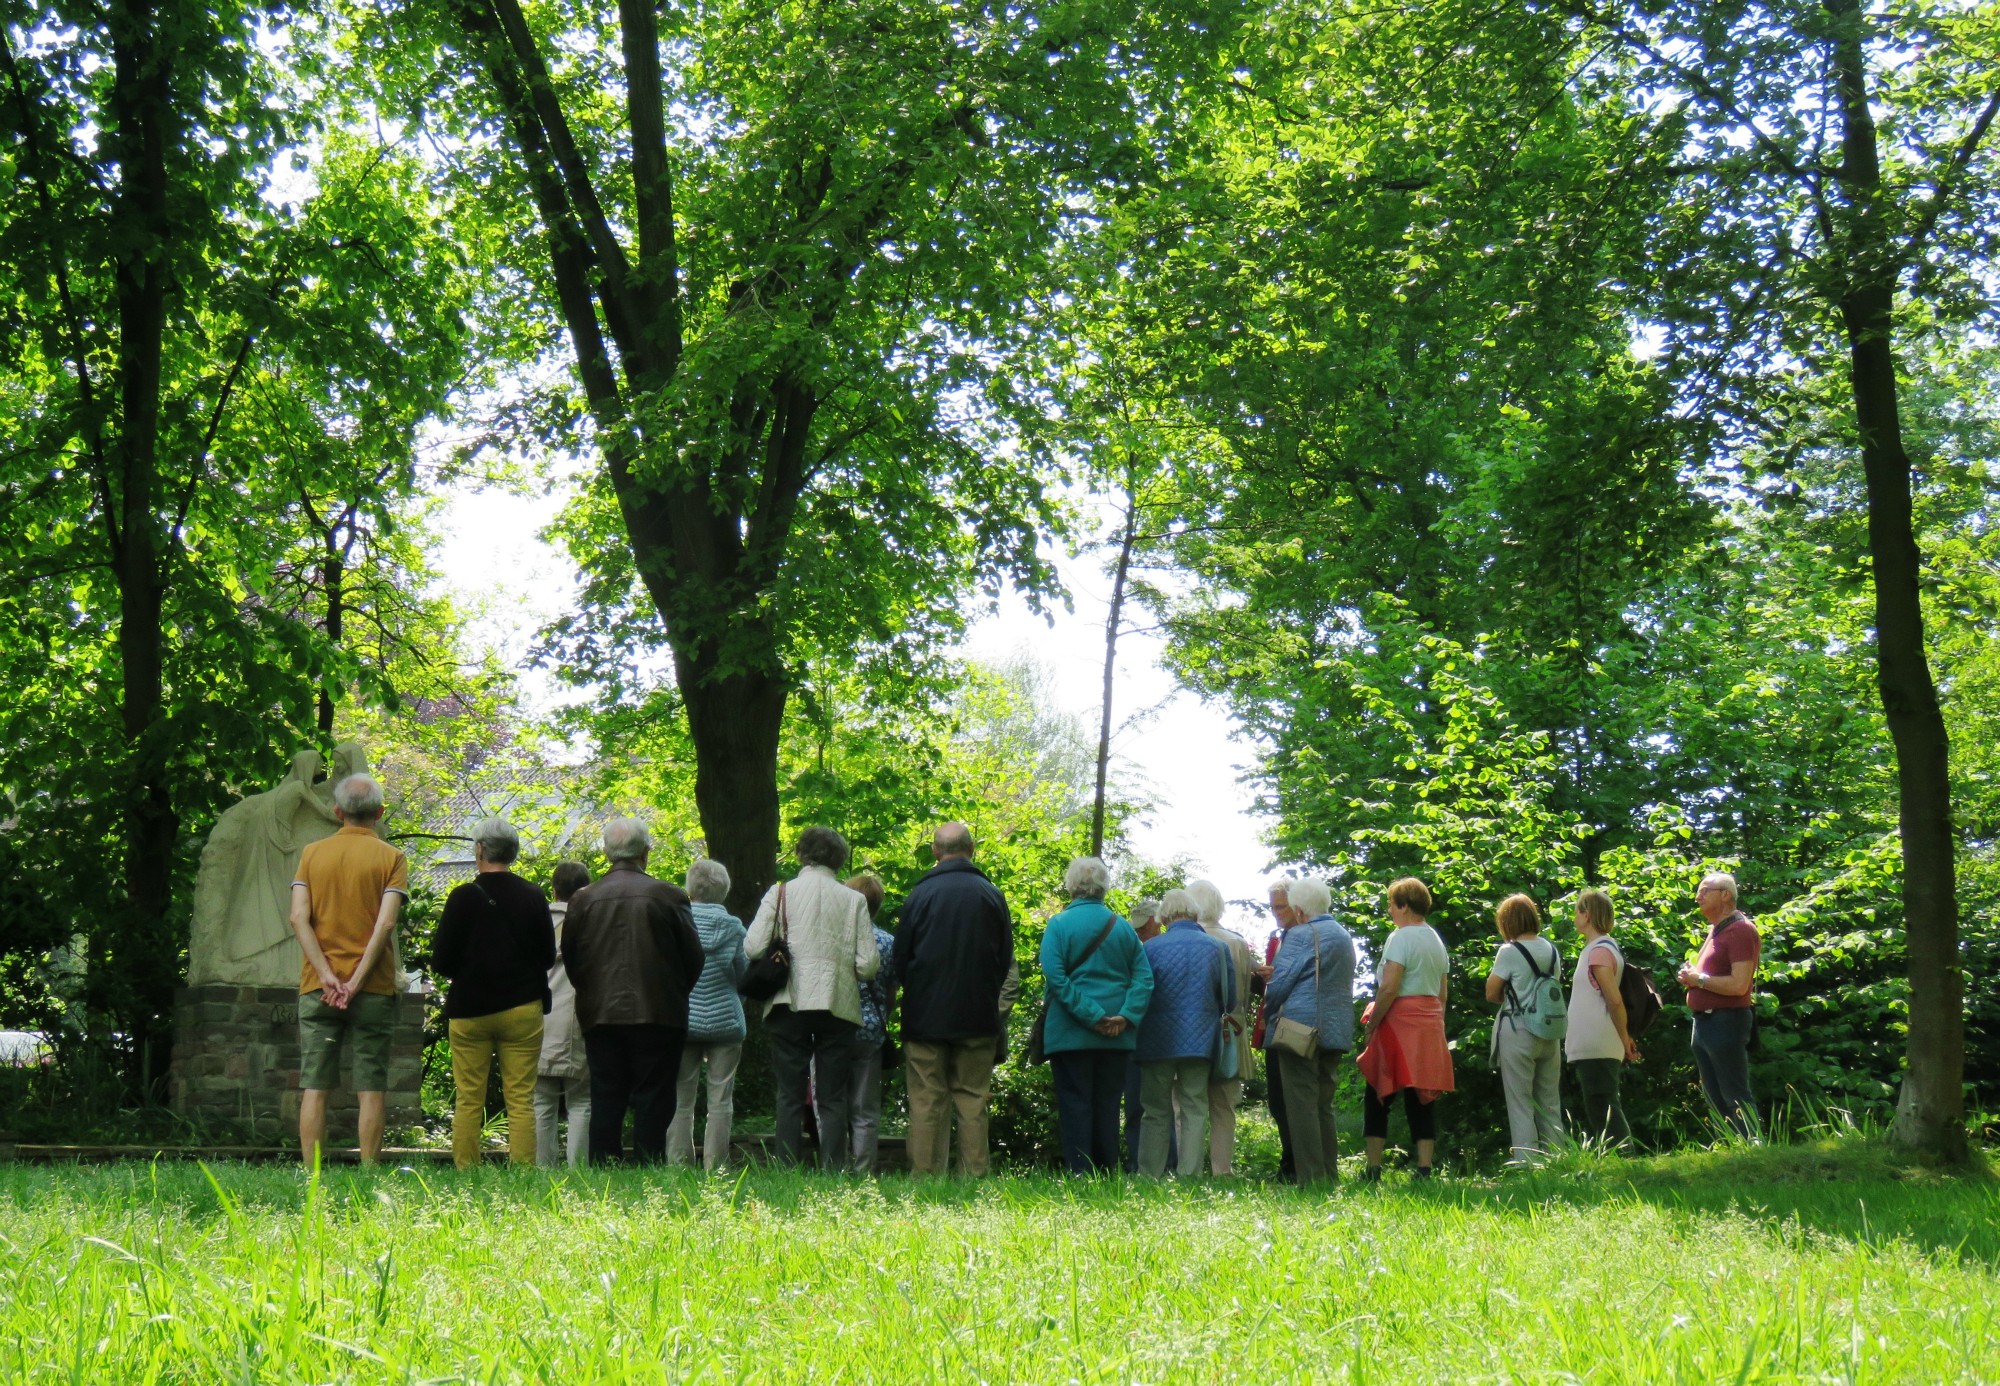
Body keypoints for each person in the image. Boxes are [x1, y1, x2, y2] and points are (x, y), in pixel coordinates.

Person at [562, 818, 705, 1165]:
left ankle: (603, 1168)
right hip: (659, 1012)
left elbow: (572, 958)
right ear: (645, 853)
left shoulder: (583, 899)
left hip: (600, 1013)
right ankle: (649, 1166)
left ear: (607, 853)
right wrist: (672, 991)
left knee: (606, 1094)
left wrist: (592, 992)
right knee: (654, 1096)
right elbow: (693, 957)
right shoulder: (669, 895)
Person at [289, 772, 409, 1165]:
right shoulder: (392, 858)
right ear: (379, 812)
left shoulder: (311, 854)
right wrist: (356, 980)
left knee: (315, 1086)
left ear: (337, 812)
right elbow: (386, 924)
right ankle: (370, 1171)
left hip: (318, 988)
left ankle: (311, 1173)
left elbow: (298, 919)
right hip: (372, 989)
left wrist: (326, 974)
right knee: (371, 1085)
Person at [746, 826, 880, 1170]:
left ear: (800, 854)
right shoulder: (854, 901)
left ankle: (786, 1168)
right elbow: (867, 966)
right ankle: (833, 1170)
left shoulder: (780, 894)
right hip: (838, 1005)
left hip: (789, 1003)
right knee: (833, 1097)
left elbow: (753, 946)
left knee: (789, 1094)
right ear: (839, 859)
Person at [891, 823, 1017, 1177]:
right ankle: (974, 1177)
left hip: (925, 1016)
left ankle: (925, 1178)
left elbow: (900, 959)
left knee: (927, 1099)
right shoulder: (991, 895)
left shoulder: (919, 896)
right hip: (978, 1016)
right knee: (973, 1098)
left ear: (935, 851)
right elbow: (1004, 957)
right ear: (972, 849)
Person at [431, 817, 555, 1169]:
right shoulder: (533, 895)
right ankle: (523, 1171)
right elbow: (547, 957)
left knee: (469, 1098)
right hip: (522, 1009)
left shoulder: (462, 897)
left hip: (470, 1009)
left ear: (480, 849)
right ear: (513, 853)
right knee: (520, 1098)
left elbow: (441, 961)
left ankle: (466, 1170)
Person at [1040, 857, 1154, 1174]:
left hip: (1070, 1034)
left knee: (1075, 1104)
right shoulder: (1121, 927)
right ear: (1104, 886)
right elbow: (1144, 977)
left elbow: (1056, 978)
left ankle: (1081, 1173)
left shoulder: (1058, 925)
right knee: (1107, 1105)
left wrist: (1092, 1016)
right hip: (1117, 1035)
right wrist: (1124, 1016)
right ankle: (1107, 1172)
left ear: (1072, 885)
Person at [1357, 876, 1454, 1180]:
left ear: (1404, 905)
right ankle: (1424, 1168)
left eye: (1391, 904)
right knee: (1422, 1094)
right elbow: (1442, 990)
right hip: (1429, 1023)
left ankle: (1373, 1168)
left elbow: (1389, 987)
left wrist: (1373, 1024)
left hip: (1398, 1022)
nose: (1389, 910)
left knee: (1378, 1091)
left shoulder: (1400, 937)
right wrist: (1437, 1023)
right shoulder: (1435, 939)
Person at [1260, 877, 1357, 1184]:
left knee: (1300, 1105)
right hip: (1336, 1028)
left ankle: (1310, 1180)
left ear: (1299, 909)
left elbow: (1279, 985)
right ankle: (1329, 1175)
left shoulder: (1301, 934)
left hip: (1300, 1029)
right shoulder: (1342, 935)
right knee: (1323, 1106)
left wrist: (1270, 1009)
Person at [1134, 889, 1229, 1178]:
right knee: (1194, 1106)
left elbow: (1139, 994)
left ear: (1164, 917)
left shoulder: (1149, 948)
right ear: (1194, 913)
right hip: (1200, 1039)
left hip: (1156, 1039)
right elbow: (1229, 998)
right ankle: (1191, 1175)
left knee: (1154, 1108)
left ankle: (1149, 1174)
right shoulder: (1217, 948)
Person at [666, 858, 749, 1170]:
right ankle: (717, 1165)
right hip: (726, 1021)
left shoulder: (677, 923)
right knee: (721, 1100)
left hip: (684, 1020)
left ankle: (678, 1163)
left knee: (681, 1098)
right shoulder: (734, 928)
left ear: (690, 887)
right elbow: (744, 975)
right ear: (724, 891)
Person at [819, 872, 897, 1174]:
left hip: (832, 1026)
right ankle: (864, 1170)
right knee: (865, 1108)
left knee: (830, 1103)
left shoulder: (831, 937)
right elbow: (891, 993)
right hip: (871, 1031)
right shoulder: (888, 942)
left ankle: (832, 1167)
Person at [1483, 893, 1565, 1167]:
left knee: (1520, 1100)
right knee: (1550, 1099)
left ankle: (1527, 1161)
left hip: (1518, 1029)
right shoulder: (1552, 950)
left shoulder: (1509, 951)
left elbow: (1492, 992)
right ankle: (1558, 1159)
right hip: (1549, 1030)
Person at [1678, 871, 1761, 1137]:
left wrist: (1698, 980)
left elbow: (1739, 985)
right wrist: (1692, 978)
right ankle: (1729, 1151)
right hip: (1705, 1022)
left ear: (1725, 895)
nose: (1697, 897)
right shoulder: (1717, 930)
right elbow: (1709, 978)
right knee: (1713, 1095)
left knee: (1734, 1093)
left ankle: (1752, 1148)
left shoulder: (1740, 930)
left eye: (1704, 891)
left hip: (1726, 1021)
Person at [1187, 880, 1255, 1176]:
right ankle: (1222, 1170)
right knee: (1224, 1105)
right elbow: (1245, 991)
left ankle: (1187, 1169)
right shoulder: (1237, 942)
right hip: (1231, 1030)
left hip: (1192, 1032)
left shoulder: (1187, 939)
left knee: (1187, 1103)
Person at [1567, 887, 1640, 1149]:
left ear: (1587, 916)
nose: (1574, 917)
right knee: (1599, 1103)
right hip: (1593, 1043)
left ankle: (1624, 1157)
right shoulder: (1596, 949)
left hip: (1598, 1042)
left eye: (1577, 911)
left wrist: (1624, 1037)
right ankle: (1616, 1157)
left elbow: (1614, 999)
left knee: (1603, 1102)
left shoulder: (1599, 952)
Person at [534, 861, 592, 1167]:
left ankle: (543, 1171)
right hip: (576, 1020)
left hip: (539, 1019)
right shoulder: (590, 925)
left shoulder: (535, 922)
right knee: (581, 1101)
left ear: (554, 889)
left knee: (541, 1102)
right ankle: (578, 1171)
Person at [1255, 880, 1299, 1181]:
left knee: (1294, 1099)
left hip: (1295, 1026)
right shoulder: (1279, 937)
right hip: (1275, 1024)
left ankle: (1296, 1165)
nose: (1276, 913)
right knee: (1278, 1099)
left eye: (1281, 906)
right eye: (1272, 907)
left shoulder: (1305, 937)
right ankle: (1289, 1162)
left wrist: (1277, 975)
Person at [1121, 896, 1165, 1172]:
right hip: (1139, 1037)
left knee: (1156, 1107)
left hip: (1154, 1038)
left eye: (1143, 926)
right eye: (1136, 927)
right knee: (1139, 1105)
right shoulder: (1136, 951)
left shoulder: (1160, 950)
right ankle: (1139, 1162)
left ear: (1156, 922)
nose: (1139, 932)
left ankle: (1158, 1164)